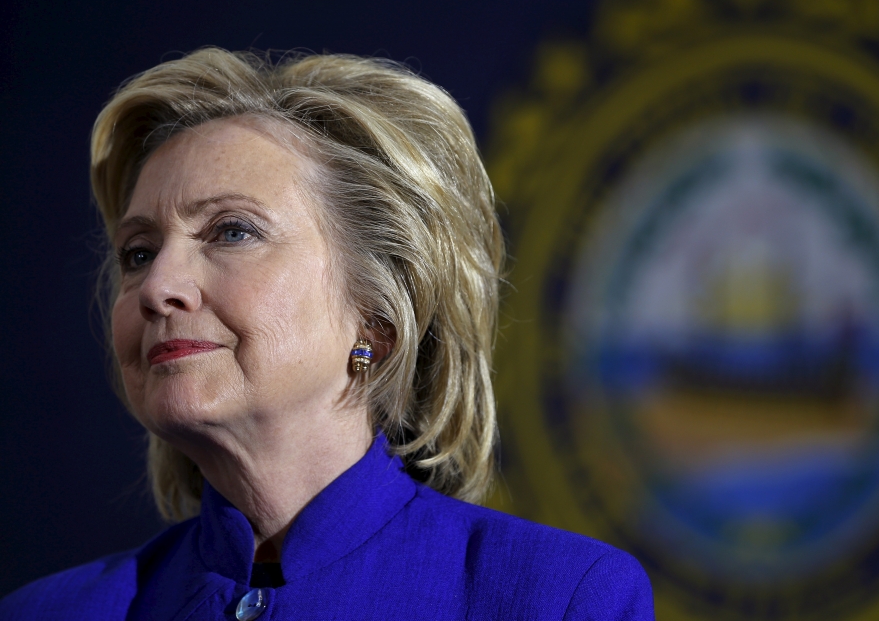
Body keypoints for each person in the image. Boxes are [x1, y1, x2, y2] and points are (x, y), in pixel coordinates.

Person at [0, 48, 653, 620]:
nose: (159, 286)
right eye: (138, 252)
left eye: (232, 231)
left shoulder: (557, 599)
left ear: (379, 315)